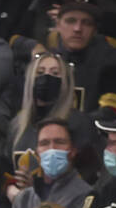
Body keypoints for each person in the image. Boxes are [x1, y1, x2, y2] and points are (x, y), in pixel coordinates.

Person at [6, 51, 91, 197]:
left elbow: (88, 174)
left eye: (55, 73)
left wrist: (39, 187)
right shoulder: (16, 125)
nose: (46, 77)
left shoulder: (78, 123)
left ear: (65, 81)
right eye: (40, 72)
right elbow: (4, 168)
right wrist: (11, 189)